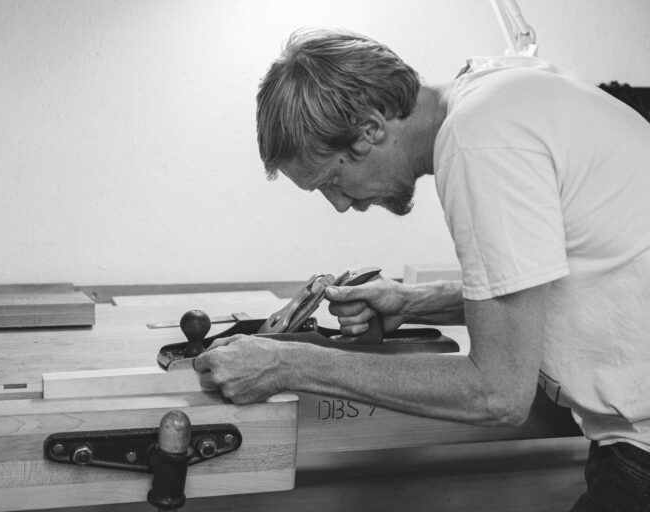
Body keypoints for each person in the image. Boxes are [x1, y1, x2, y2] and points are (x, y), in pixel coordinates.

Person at [193, 28, 650, 511]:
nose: (342, 205)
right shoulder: (498, 95)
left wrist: (289, 364)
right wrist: (412, 302)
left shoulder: (480, 142)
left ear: (370, 128)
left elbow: (497, 394)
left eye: (332, 179)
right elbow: (554, 279)